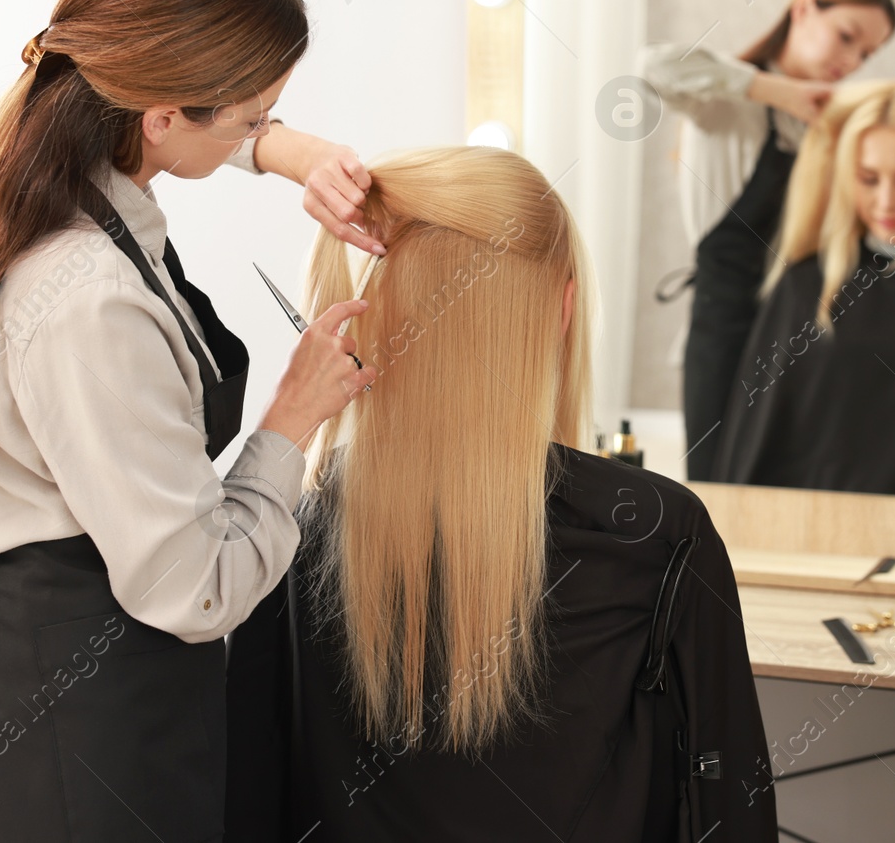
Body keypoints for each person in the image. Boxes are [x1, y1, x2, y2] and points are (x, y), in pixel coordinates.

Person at [0, 0, 382, 843]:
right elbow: (196, 586)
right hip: (65, 739)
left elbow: (201, 128)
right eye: (256, 111)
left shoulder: (43, 177)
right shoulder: (88, 300)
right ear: (159, 115)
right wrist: (290, 421)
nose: (263, 127)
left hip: (72, 693)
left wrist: (287, 152)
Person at [225, 146, 777, 842]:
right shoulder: (660, 532)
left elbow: (246, 794)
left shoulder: (285, 528)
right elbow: (731, 805)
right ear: (563, 305)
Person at [640, 0, 895, 480]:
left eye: (866, 54)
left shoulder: (824, 131)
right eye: (847, 37)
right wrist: (776, 91)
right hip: (722, 326)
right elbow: (650, 67)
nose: (851, 61)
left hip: (794, 333)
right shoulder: (725, 101)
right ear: (804, 8)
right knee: (718, 487)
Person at [712, 80, 895, 498]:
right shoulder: (803, 286)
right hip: (814, 532)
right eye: (869, 179)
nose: (886, 202)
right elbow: (757, 443)